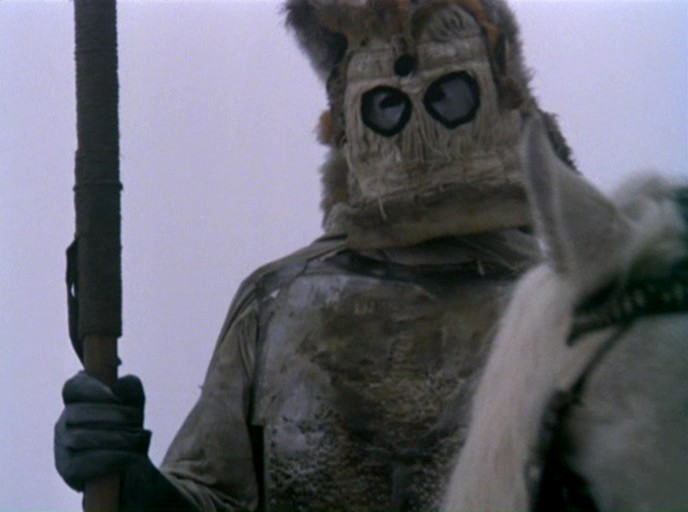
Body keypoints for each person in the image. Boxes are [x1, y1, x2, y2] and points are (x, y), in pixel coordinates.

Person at [55, 0, 575, 510]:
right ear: (351, 119)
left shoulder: (567, 310)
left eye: (449, 97)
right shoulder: (280, 305)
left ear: (498, 97)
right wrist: (132, 482)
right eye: (387, 106)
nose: (419, 128)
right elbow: (214, 496)